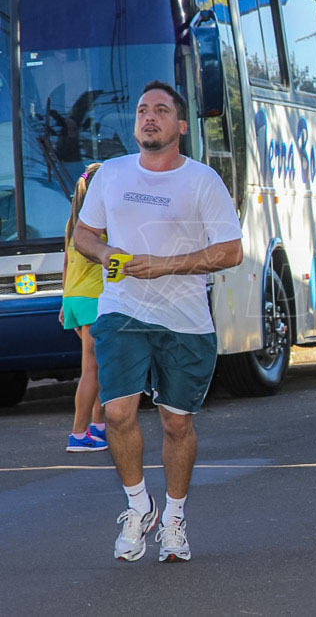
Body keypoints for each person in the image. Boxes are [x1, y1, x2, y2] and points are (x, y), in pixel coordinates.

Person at [73, 81, 242, 563]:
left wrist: (164, 264)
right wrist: (108, 253)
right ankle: (137, 506)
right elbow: (85, 234)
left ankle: (174, 517)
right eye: (143, 110)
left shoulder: (203, 180)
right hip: (122, 311)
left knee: (176, 423)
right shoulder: (111, 173)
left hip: (185, 319)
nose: (149, 117)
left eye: (161, 111)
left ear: (180, 126)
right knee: (120, 413)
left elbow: (231, 250)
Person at [61, 163, 107, 453]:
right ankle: (79, 433)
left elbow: (65, 264)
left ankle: (98, 428)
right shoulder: (99, 225)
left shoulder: (72, 223)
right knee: (91, 368)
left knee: (101, 366)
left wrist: (64, 304)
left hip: (75, 298)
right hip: (93, 299)